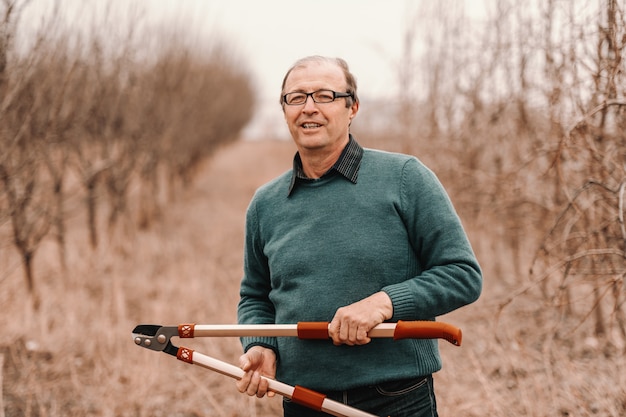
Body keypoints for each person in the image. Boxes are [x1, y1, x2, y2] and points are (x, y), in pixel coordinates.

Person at [236, 55, 482, 417]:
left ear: (352, 107)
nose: (309, 108)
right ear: (284, 109)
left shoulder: (404, 177)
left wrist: (383, 304)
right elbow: (255, 296)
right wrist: (261, 344)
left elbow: (462, 274)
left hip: (398, 396)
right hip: (303, 396)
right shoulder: (265, 204)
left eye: (324, 96)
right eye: (296, 98)